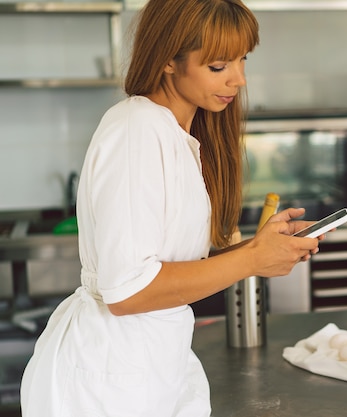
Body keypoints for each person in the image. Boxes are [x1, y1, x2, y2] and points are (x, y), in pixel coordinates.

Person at [20, 0, 322, 415]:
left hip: (153, 361)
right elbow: (128, 291)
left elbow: (169, 262)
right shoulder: (137, 130)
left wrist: (259, 250)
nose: (239, 79)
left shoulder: (176, 133)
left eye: (242, 60)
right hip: (111, 378)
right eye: (219, 66)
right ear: (167, 60)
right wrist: (251, 259)